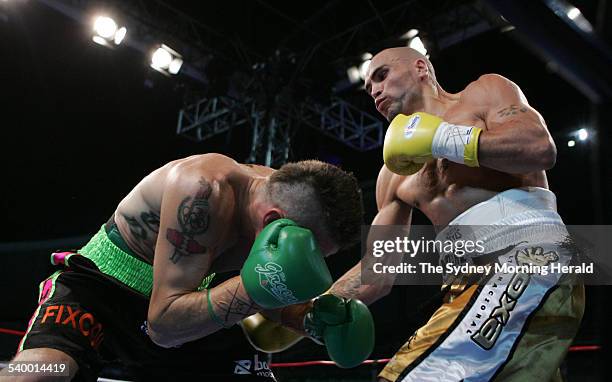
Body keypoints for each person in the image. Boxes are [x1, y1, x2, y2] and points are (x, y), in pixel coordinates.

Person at [274, 47, 584, 381]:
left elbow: (539, 148)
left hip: (527, 255)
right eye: (368, 88)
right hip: (465, 285)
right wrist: (307, 310)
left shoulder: (483, 94)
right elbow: (379, 270)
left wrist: (441, 138)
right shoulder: (392, 175)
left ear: (421, 68)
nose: (375, 90)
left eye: (382, 75)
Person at [7, 153, 373, 381]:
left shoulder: (280, 202)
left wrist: (307, 320)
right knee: (38, 373)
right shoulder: (203, 192)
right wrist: (253, 289)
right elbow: (162, 326)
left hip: (189, 301)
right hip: (101, 290)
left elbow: (269, 291)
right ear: (272, 219)